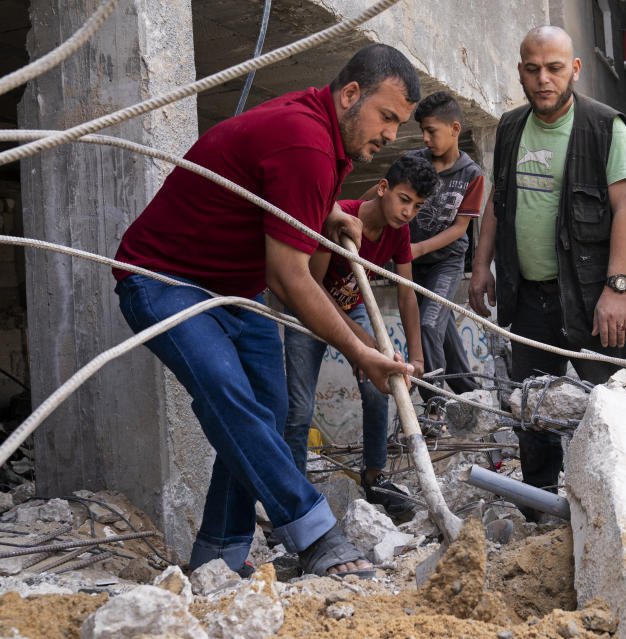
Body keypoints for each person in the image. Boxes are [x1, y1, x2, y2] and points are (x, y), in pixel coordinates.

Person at [112, 43, 421, 579]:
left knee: (269, 415)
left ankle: (219, 557)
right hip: (164, 280)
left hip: (234, 290)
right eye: (387, 117)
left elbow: (268, 181)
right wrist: (360, 351)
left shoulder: (321, 133)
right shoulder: (308, 142)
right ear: (351, 94)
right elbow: (288, 278)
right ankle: (315, 531)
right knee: (232, 400)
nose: (392, 134)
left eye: (399, 123)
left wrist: (325, 212)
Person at [467, 26, 626, 516]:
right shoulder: (509, 128)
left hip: (591, 300)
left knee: (606, 407)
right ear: (521, 69)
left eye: (554, 68)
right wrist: (481, 266)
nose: (543, 79)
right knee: (531, 409)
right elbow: (498, 205)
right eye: (532, 68)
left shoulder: (606, 127)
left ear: (575, 69)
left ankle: (614, 508)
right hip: (527, 299)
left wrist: (618, 289)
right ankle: (538, 512)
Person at [283, 154, 437, 517]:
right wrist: (361, 345)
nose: (407, 212)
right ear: (382, 189)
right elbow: (316, 289)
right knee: (300, 406)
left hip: (351, 308)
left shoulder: (398, 232)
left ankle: (373, 477)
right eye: (403, 199)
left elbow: (405, 292)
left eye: (417, 206)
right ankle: (290, 493)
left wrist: (416, 358)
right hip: (309, 308)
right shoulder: (341, 218)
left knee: (377, 386)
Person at [405, 91, 485, 401]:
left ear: (454, 129)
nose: (425, 138)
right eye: (422, 131)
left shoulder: (471, 175)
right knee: (441, 330)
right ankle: (472, 398)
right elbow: (383, 197)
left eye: (431, 131)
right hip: (410, 264)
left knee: (427, 324)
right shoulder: (412, 162)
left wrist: (419, 249)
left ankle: (435, 404)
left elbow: (460, 229)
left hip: (445, 264)